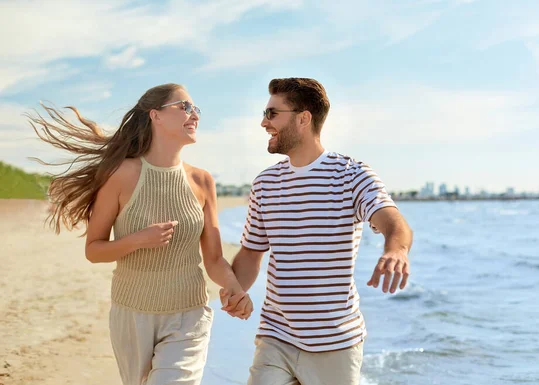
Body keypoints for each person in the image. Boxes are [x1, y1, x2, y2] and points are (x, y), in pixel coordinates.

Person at [27, 83, 253, 385]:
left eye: (197, 109)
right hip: (132, 316)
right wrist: (137, 240)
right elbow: (93, 250)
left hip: (189, 315)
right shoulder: (121, 175)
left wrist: (237, 291)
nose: (194, 115)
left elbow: (213, 260)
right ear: (155, 115)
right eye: (185, 107)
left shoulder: (202, 181)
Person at [220, 77, 414, 385]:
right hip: (276, 335)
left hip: (335, 344)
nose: (263, 122)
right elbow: (251, 252)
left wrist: (396, 250)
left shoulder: (351, 174)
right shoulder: (265, 184)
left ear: (303, 118)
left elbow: (393, 222)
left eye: (272, 113)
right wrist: (236, 291)